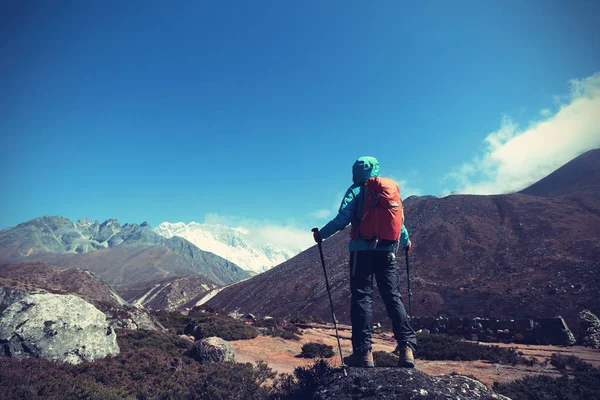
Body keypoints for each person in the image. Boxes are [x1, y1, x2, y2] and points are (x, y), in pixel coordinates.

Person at [313, 156, 417, 368]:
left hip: (362, 252)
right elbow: (399, 223)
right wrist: (406, 242)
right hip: (387, 252)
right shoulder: (387, 190)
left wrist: (320, 234)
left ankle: (363, 353)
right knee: (393, 297)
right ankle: (407, 349)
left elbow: (341, 220)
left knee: (362, 298)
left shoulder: (356, 191)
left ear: (355, 172)